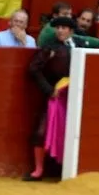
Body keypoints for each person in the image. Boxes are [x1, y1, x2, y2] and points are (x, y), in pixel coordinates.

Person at [25, 16, 87, 182]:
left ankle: (67, 169)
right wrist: (48, 89)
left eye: (64, 28)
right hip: (56, 96)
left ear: (71, 31)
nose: (60, 30)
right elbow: (33, 69)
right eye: (58, 27)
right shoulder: (49, 48)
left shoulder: (80, 46)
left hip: (75, 97)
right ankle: (38, 170)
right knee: (42, 131)